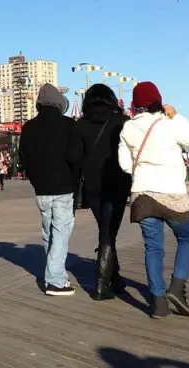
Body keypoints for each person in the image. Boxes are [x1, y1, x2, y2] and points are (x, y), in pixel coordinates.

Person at [118, 81, 189, 319]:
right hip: (171, 193)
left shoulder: (127, 128)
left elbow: (125, 165)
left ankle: (158, 303)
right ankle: (177, 287)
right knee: (187, 238)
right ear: (158, 100)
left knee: (153, 247)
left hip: (143, 194)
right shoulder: (168, 124)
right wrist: (176, 117)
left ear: (135, 104)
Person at [18, 84, 84, 296]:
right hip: (64, 188)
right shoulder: (68, 126)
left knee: (49, 232)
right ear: (58, 103)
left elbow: (23, 159)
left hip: (41, 190)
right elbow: (76, 158)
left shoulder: (28, 127)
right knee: (61, 234)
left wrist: (35, 179)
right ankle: (54, 281)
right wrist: (74, 179)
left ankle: (57, 274)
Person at [75, 83, 132, 300]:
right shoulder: (122, 123)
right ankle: (101, 284)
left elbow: (75, 156)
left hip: (91, 187)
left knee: (105, 229)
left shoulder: (80, 125)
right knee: (109, 232)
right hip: (116, 185)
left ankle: (115, 278)